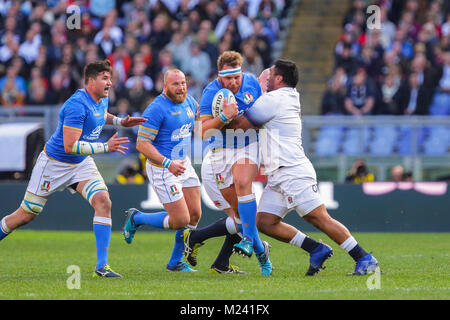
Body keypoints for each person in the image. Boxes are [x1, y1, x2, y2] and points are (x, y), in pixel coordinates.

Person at [0, 60, 147, 278]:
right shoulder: (76, 105)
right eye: (105, 78)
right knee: (26, 215)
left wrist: (119, 122)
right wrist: (105, 147)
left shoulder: (100, 99)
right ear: (90, 81)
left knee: (103, 201)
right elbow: (70, 146)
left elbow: (99, 116)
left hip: (80, 163)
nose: (110, 82)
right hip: (54, 165)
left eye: (110, 78)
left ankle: (102, 267)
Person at [240, 59, 379, 276]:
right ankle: (315, 248)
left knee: (319, 218)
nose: (265, 81)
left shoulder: (275, 99)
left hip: (292, 170)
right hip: (279, 173)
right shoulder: (285, 97)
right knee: (265, 221)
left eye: (270, 76)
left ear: (278, 79)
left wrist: (221, 114)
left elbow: (241, 124)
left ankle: (364, 258)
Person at [183, 50, 272, 276]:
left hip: (247, 144)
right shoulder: (210, 93)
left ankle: (249, 244)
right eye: (228, 79)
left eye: (236, 77)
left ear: (242, 73)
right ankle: (260, 252)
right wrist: (223, 117)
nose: (233, 83)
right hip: (220, 151)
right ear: (219, 77)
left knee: (244, 183)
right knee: (239, 218)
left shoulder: (252, 83)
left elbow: (266, 110)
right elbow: (202, 132)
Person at [123, 69, 202, 272]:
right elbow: (142, 144)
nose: (181, 87)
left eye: (183, 83)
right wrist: (168, 163)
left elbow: (202, 118)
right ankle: (136, 218)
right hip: (163, 169)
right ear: (164, 86)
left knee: (194, 215)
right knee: (180, 221)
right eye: (175, 84)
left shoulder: (190, 101)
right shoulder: (156, 109)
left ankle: (175, 262)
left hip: (183, 164)